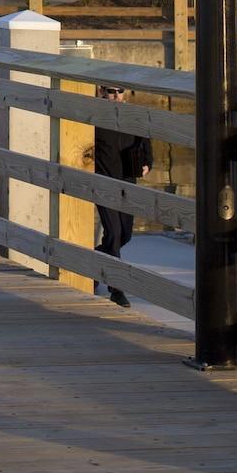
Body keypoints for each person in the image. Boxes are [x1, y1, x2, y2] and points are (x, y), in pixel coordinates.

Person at [93, 85, 150, 307]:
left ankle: (94, 259)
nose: (116, 96)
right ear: (101, 92)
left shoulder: (134, 117)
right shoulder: (95, 117)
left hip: (128, 184)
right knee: (114, 232)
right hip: (103, 184)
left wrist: (147, 164)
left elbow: (146, 146)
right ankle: (117, 289)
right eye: (110, 91)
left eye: (120, 91)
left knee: (125, 235)